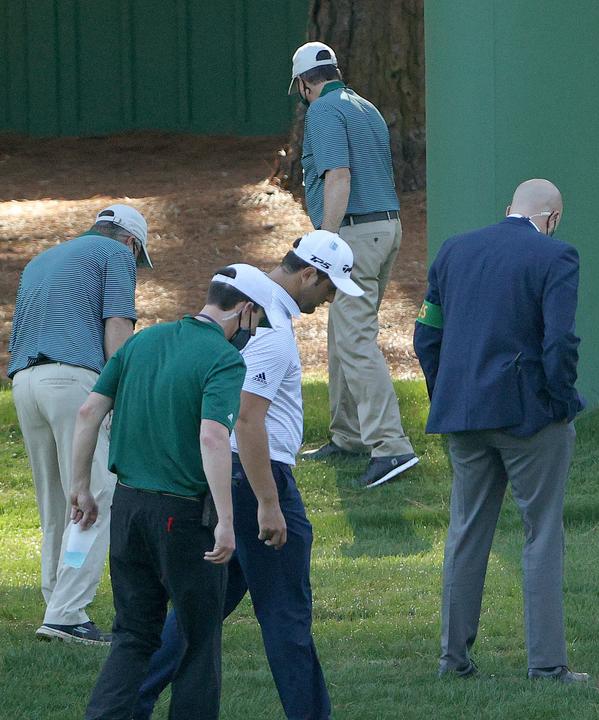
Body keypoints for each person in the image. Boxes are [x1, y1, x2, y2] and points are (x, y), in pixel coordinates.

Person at [134, 232, 363, 719]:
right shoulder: (272, 330)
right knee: (287, 618)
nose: (328, 302)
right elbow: (247, 418)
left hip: (227, 476)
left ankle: (129, 699)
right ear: (309, 274)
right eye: (329, 289)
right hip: (257, 478)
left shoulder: (253, 311)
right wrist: (269, 502)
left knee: (201, 612)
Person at [72, 265, 276, 720]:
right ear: (244, 311)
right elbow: (212, 437)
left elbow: (88, 412)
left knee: (133, 634)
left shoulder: (142, 342)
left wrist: (80, 488)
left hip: (127, 508)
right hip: (182, 517)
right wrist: (225, 520)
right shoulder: (224, 359)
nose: (254, 333)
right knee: (199, 639)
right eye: (257, 322)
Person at [414, 178, 588, 682]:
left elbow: (427, 334)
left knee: (466, 532)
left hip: (464, 414)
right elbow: (560, 341)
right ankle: (548, 665)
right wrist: (560, 400)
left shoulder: (454, 250)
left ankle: (453, 658)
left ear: (508, 208)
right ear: (552, 218)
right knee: (541, 534)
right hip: (529, 416)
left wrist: (446, 394)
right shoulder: (557, 257)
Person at [9, 204, 152, 646]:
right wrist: (124, 391)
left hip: (24, 384)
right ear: (129, 241)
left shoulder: (42, 259)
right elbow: (117, 328)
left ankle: (57, 600)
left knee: (57, 503)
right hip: (72, 381)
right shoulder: (116, 256)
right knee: (96, 493)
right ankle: (67, 613)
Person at [288, 41, 418, 488]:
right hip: (386, 228)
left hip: (355, 233)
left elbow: (338, 176)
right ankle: (349, 435)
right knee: (343, 331)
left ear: (304, 84)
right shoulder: (365, 106)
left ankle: (391, 445)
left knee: (356, 338)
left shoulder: (323, 111)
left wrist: (324, 238)